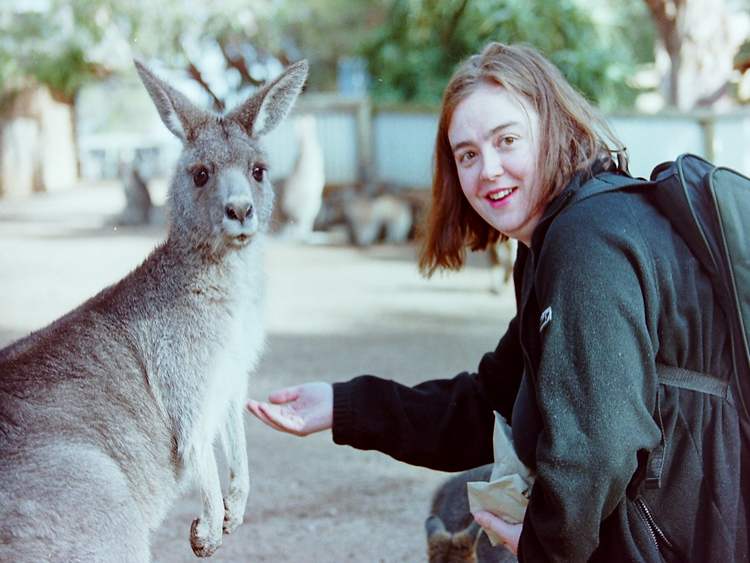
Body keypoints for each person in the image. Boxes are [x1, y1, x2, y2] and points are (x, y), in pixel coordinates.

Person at [248, 42, 747, 562]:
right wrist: (342, 405)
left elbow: (599, 447)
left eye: (507, 140)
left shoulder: (587, 240)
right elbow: (491, 405)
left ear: (553, 130)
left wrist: (542, 543)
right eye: (467, 154)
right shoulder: (552, 243)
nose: (487, 169)